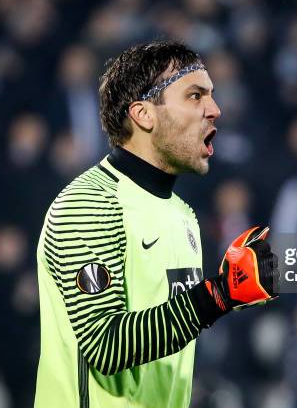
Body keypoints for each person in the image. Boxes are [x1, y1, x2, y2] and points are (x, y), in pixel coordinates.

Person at [34, 40, 279, 408]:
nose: (214, 110)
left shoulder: (183, 216)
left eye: (211, 96)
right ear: (144, 115)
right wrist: (220, 295)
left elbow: (170, 332)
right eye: (195, 96)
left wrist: (231, 296)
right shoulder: (90, 204)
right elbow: (106, 345)